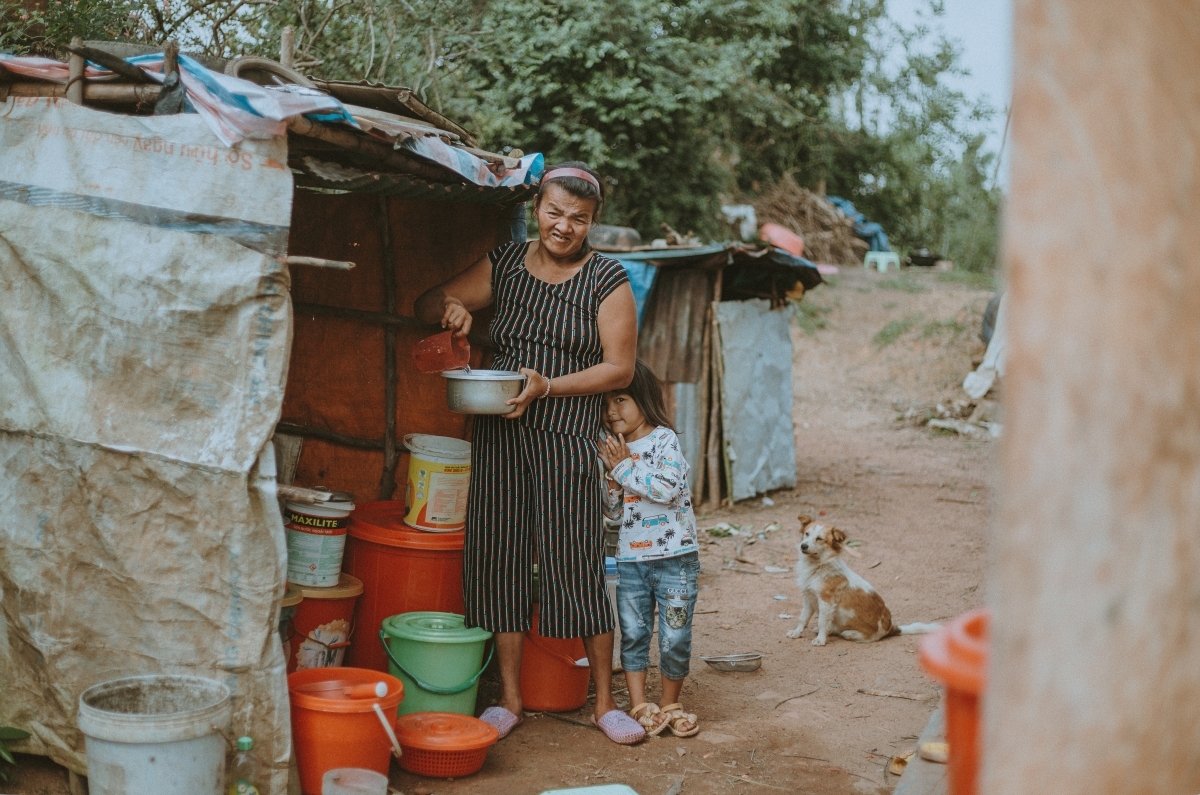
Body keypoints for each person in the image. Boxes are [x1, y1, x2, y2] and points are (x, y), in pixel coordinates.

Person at [414, 162, 647, 745]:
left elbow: (619, 366)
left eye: (579, 218)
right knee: (500, 560)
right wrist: (451, 309)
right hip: (500, 436)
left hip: (567, 436)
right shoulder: (507, 264)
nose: (563, 226)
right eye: (554, 212)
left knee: (578, 562)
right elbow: (425, 302)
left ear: (592, 222)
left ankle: (601, 703)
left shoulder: (607, 278)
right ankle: (512, 700)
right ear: (538, 207)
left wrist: (550, 386)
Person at [597, 360, 701, 738]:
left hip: (676, 558)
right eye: (606, 403)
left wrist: (622, 471)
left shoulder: (664, 440)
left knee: (675, 636)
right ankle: (640, 703)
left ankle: (672, 702)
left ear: (643, 398)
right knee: (634, 633)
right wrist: (611, 481)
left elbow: (667, 488)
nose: (612, 411)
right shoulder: (611, 450)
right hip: (630, 560)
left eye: (621, 399)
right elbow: (612, 513)